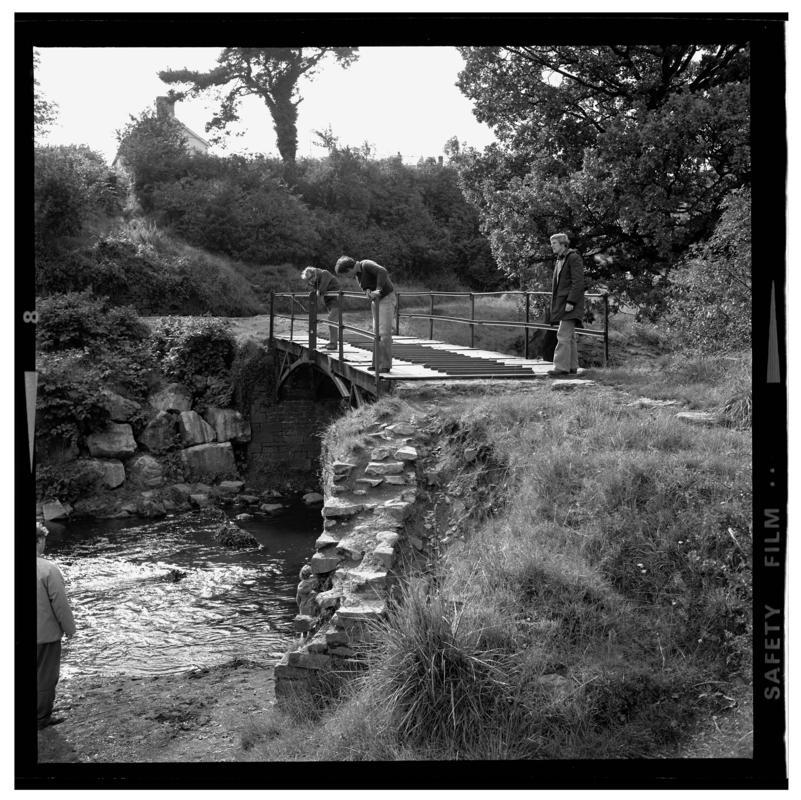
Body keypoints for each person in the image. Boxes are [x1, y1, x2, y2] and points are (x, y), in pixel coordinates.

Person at [37, 521, 76, 730]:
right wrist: (70, 629)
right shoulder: (48, 569)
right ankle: (41, 718)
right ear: (39, 541)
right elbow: (60, 603)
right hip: (45, 636)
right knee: (45, 677)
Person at [334, 255, 396, 373]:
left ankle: (385, 365)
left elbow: (382, 271)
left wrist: (378, 289)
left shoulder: (366, 264)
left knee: (384, 333)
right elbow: (366, 286)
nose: (346, 277)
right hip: (376, 301)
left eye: (345, 274)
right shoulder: (358, 275)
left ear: (349, 269)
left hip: (386, 299)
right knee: (376, 333)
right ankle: (377, 364)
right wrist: (367, 292)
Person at [547, 233, 585, 376]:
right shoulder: (560, 260)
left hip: (570, 304)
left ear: (563, 244)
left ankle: (561, 367)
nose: (552, 246)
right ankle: (572, 366)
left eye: (554, 243)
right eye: (551, 243)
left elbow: (578, 282)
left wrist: (571, 301)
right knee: (570, 337)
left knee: (562, 335)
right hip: (563, 303)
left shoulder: (573, 258)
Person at [301, 266, 342, 350]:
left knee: (332, 319)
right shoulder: (317, 280)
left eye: (311, 278)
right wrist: (313, 286)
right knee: (331, 320)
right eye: (309, 280)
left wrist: (315, 287)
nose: (311, 281)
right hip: (329, 301)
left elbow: (322, 289)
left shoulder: (325, 273)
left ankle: (333, 344)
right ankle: (332, 342)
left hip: (336, 299)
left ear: (314, 274)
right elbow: (316, 291)